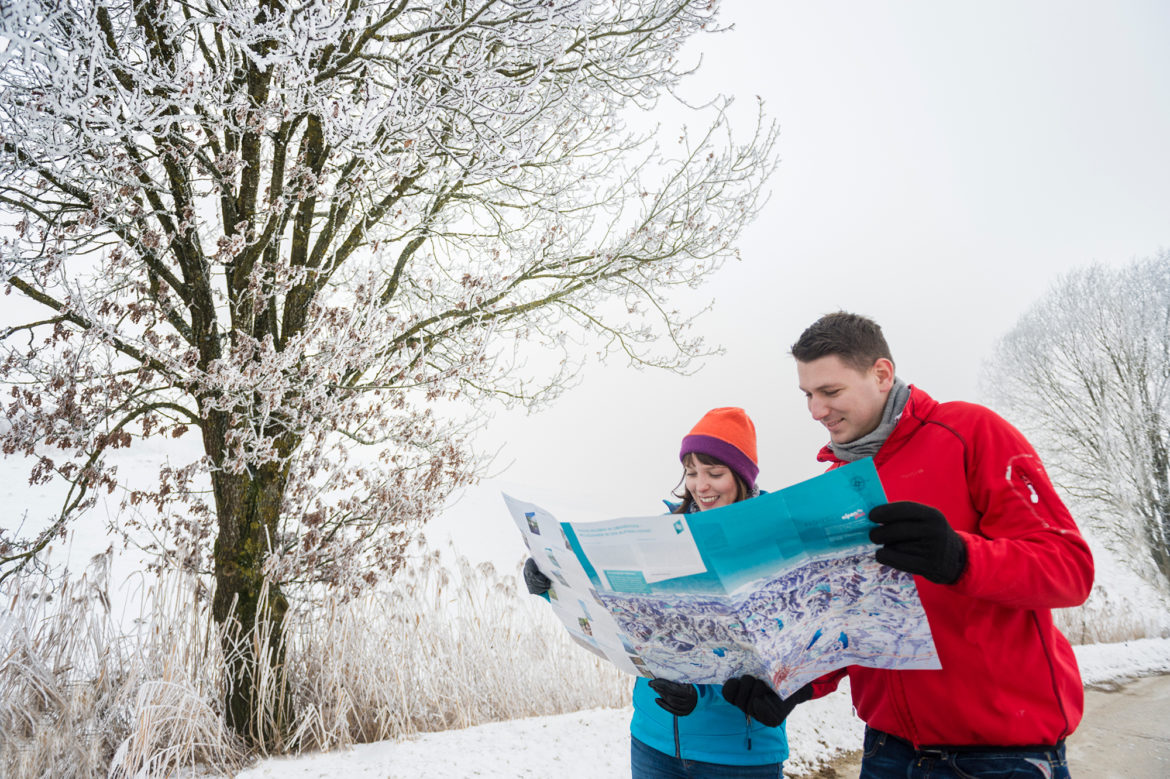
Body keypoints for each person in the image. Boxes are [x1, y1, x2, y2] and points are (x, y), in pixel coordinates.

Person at [785, 311, 1094, 779]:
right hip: (887, 750)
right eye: (808, 395)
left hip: (997, 753)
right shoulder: (837, 483)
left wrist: (960, 557)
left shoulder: (971, 432)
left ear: (881, 374)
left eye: (831, 392)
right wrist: (800, 682)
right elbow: (854, 617)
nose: (816, 411)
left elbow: (1070, 570)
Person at [523, 407, 793, 778]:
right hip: (654, 740)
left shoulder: (770, 546)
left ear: (742, 476)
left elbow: (782, 654)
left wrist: (702, 694)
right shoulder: (661, 536)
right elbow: (614, 609)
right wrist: (551, 581)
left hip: (735, 752)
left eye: (715, 473)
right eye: (692, 472)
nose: (701, 486)